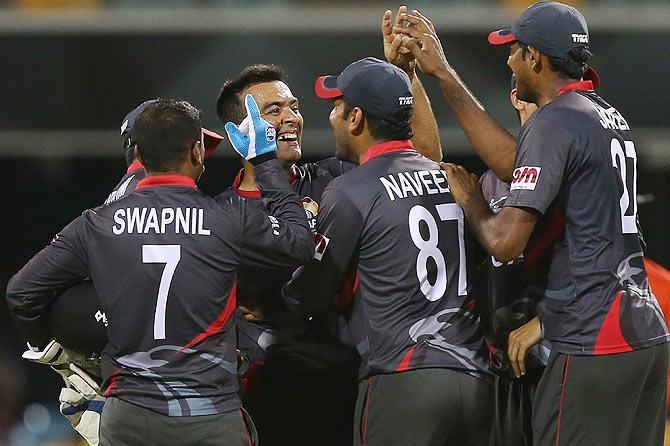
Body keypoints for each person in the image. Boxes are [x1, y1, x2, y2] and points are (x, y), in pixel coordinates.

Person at [400, 3, 669, 445]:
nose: (508, 60)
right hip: (645, 336)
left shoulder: (555, 121)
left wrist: (470, 199)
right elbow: (513, 162)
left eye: (514, 51)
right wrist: (444, 75)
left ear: (536, 59)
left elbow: (504, 242)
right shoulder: (601, 113)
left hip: (591, 338)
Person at [6, 98, 314, 446]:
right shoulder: (228, 217)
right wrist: (266, 163)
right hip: (209, 414)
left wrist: (52, 350)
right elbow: (299, 244)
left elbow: (21, 292)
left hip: (130, 415)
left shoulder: (96, 224)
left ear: (138, 152)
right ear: (197, 152)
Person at [213, 7, 443, 445]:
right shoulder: (219, 215)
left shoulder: (335, 178)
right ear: (237, 130)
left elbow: (422, 159)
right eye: (272, 110)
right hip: (265, 396)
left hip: (346, 379)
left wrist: (399, 78)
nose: (290, 118)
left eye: (294, 107)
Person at [281, 57, 491, 446]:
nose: (332, 117)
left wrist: (274, 300)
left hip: (404, 378)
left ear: (357, 118)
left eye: (336, 106)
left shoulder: (351, 190)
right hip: (475, 380)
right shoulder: (452, 180)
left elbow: (311, 292)